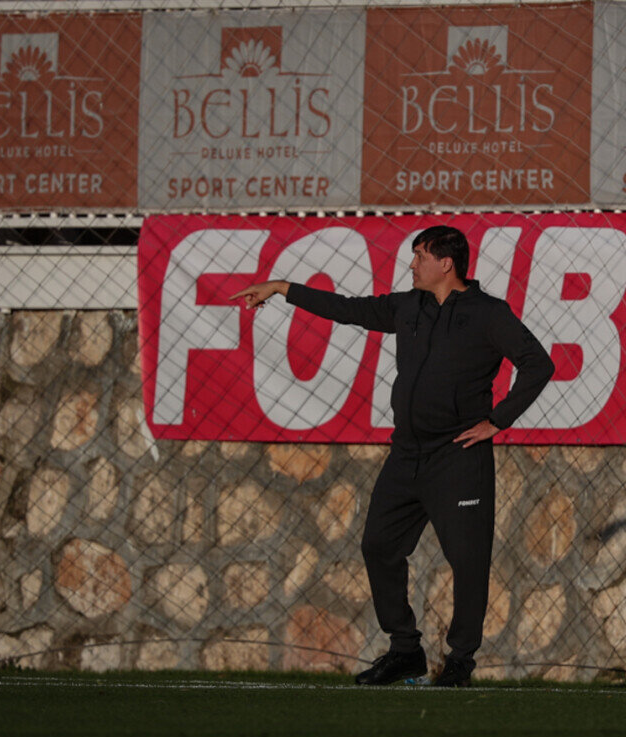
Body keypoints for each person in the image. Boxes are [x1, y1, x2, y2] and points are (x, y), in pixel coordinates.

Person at [230, 226, 554, 687]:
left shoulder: (488, 314)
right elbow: (346, 309)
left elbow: (538, 363)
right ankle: (405, 650)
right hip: (407, 455)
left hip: (458, 457)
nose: (412, 264)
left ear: (447, 263)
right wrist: (283, 288)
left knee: (468, 558)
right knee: (378, 546)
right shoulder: (407, 306)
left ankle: (460, 659)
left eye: (420, 256)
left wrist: (498, 421)